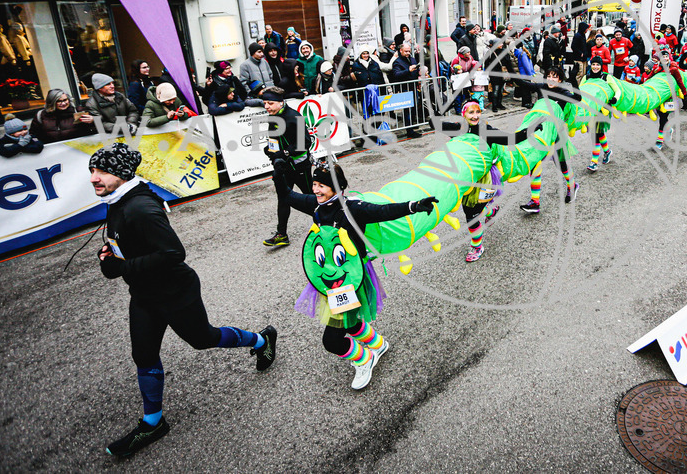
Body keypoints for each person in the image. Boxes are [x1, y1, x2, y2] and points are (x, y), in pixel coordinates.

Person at [89, 142, 276, 458]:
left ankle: (261, 340)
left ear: (121, 172)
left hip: (175, 291)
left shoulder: (140, 208)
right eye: (92, 171)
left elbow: (174, 253)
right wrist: (110, 255)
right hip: (145, 295)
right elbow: (125, 244)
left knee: (204, 339)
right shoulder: (118, 199)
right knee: (144, 355)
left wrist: (121, 266)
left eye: (102, 171)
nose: (94, 177)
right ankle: (153, 422)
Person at [284, 160, 436, 389]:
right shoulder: (315, 205)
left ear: (337, 187)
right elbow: (288, 196)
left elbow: (384, 211)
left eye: (321, 186)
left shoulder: (353, 208)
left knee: (331, 341)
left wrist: (414, 205)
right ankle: (378, 344)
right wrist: (278, 170)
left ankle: (365, 359)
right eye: (314, 184)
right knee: (349, 320)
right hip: (329, 278)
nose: (315, 190)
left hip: (351, 281)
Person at [439, 100, 528, 261]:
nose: (475, 116)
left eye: (477, 112)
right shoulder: (458, 129)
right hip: (466, 178)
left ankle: (477, 247)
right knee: (474, 210)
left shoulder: (485, 130)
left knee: (470, 214)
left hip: (484, 180)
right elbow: (435, 123)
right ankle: (491, 210)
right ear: (463, 114)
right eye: (470, 112)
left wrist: (530, 130)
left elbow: (511, 139)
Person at [520, 67, 581, 213]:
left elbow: (577, 99)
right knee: (535, 164)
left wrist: (573, 79)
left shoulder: (563, 92)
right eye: (548, 76)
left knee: (562, 165)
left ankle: (572, 185)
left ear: (560, 79)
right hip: (541, 133)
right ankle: (535, 202)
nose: (551, 79)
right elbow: (524, 84)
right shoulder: (541, 87)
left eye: (554, 77)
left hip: (556, 134)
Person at [261, 87, 314, 248]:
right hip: (283, 167)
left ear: (281, 102)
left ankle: (328, 224)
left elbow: (305, 143)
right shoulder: (273, 116)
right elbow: (275, 139)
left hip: (299, 165)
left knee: (310, 197)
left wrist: (284, 153)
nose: (267, 107)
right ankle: (281, 234)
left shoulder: (293, 116)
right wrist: (269, 149)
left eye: (270, 103)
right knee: (283, 198)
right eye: (264, 103)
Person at [584, 57, 613, 172]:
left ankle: (594, 162)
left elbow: (617, 90)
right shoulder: (586, 77)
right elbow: (580, 92)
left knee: (596, 134)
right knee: (599, 132)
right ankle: (607, 151)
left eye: (598, 64)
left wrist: (614, 99)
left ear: (601, 66)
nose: (595, 67)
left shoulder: (606, 77)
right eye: (593, 64)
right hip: (591, 109)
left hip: (603, 109)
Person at [389, 43, 422, 138]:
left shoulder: (412, 59)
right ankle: (409, 130)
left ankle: (412, 126)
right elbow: (396, 74)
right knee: (408, 110)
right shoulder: (397, 62)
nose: (408, 53)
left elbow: (416, 69)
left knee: (414, 107)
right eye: (406, 51)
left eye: (409, 51)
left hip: (413, 86)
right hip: (405, 88)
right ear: (401, 51)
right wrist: (408, 70)